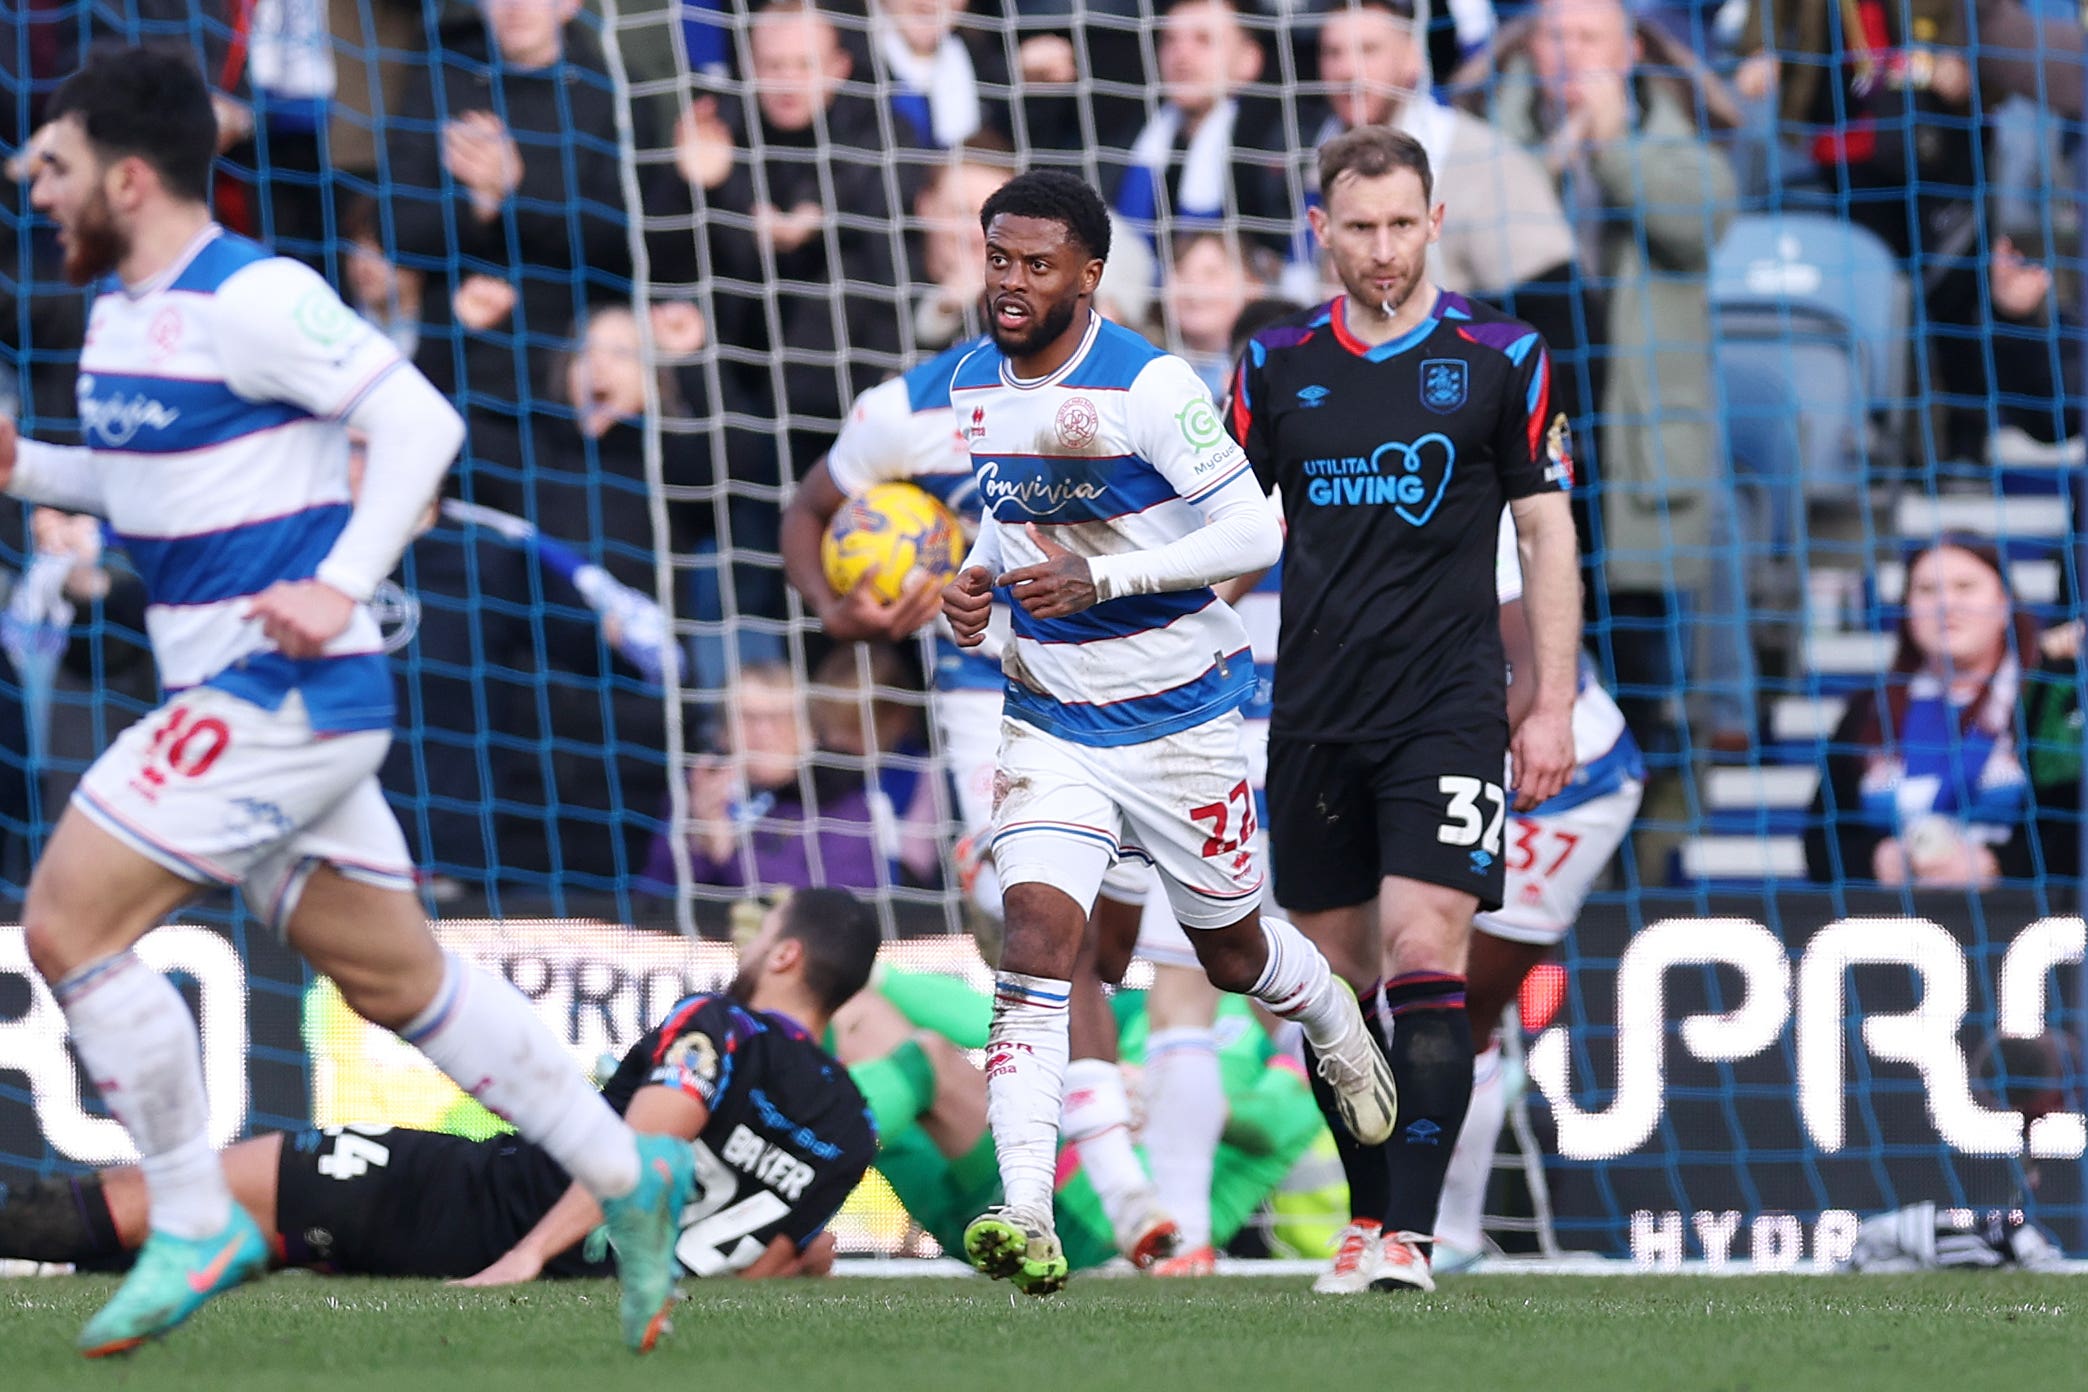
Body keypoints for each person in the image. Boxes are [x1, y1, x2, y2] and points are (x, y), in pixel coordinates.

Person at [0, 46, 692, 1355]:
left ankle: (196, 1215)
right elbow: (156, 494)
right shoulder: (118, 314)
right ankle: (625, 1167)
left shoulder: (255, 292)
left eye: (54, 166)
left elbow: (421, 422)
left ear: (129, 175)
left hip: (292, 690)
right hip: (242, 692)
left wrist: (339, 580)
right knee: (403, 982)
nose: (34, 189)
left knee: (66, 921)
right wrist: (29, 464)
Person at [937, 169, 1394, 1297]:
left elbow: (1257, 524)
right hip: (1048, 717)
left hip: (1183, 721)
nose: (1010, 282)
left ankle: (1333, 1010)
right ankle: (1029, 1211)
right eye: (999, 257)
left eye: (1036, 264)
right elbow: (1012, 518)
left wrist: (1105, 576)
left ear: (1088, 276)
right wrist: (975, 584)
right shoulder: (970, 383)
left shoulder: (1149, 384)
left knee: (1233, 952)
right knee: (1039, 945)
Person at [1228, 126, 1579, 1294]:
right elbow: (1229, 543)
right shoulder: (1273, 365)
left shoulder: (1503, 353)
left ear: (1435, 223)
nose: (1382, 250)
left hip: (1447, 704)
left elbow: (1545, 530)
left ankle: (1412, 1237)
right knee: (1331, 990)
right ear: (1319, 231)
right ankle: (1369, 1217)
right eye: (1358, 228)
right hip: (1313, 712)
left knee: (1430, 951)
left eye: (1400, 225)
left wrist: (1551, 704)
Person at [0, 889, 882, 1286]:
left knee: (169, 1195)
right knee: (241, 1236)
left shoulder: (721, 1027)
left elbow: (645, 1145)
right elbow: (786, 1261)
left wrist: (527, 1258)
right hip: (578, 1268)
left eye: (761, 931)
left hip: (480, 1208)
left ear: (787, 954)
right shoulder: (852, 1126)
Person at [1454, 0, 1748, 752]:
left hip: (1635, 435)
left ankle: (1645, 843)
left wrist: (1613, 145)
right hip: (1524, 424)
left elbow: (1700, 227)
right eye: (1555, 36)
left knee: (1638, 655)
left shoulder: (1678, 137)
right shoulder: (1487, 143)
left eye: (1588, 37)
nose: (1570, 52)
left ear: (1628, 50)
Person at [1431, 508, 1643, 1271]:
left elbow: (1518, 670)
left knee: (1453, 1000)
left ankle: (1444, 1231)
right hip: (1455, 754)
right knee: (1411, 987)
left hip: (1561, 778)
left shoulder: (1476, 503)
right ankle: (1423, 1220)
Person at [827, 964, 1327, 1274]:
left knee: (929, 1060)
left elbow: (1269, 1125)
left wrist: (1156, 1092)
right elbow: (1004, 1024)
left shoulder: (1298, 1058)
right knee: (854, 1010)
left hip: (1099, 1234)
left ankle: (789, 1145)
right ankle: (779, 1173)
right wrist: (860, 969)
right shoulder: (1146, 1009)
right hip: (1018, 1186)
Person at [1804, 538, 2079, 887]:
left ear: (2004, 604)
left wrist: (1998, 864)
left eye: (1965, 587)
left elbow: (2073, 829)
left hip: (2024, 923)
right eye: (1927, 590)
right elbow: (1819, 843)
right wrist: (1876, 860)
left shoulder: (2056, 698)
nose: (1946, 604)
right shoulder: (1868, 712)